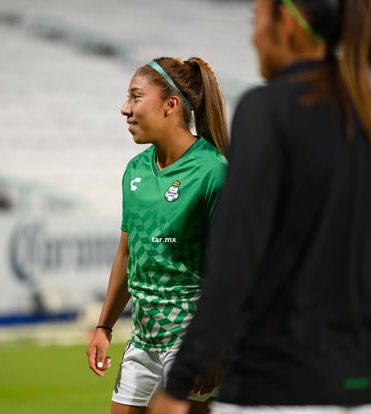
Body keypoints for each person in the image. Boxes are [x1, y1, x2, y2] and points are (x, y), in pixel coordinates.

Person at [149, 0, 371, 414]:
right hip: (357, 385)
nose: (252, 35)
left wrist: (178, 384)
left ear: (284, 24)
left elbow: (235, 259)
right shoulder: (363, 109)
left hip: (274, 386)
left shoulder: (267, 109)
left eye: (256, 21)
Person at [86, 56, 229, 414]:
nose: (125, 109)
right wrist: (104, 326)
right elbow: (125, 254)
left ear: (171, 105)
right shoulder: (135, 169)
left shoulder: (213, 171)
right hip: (143, 338)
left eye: (135, 97)